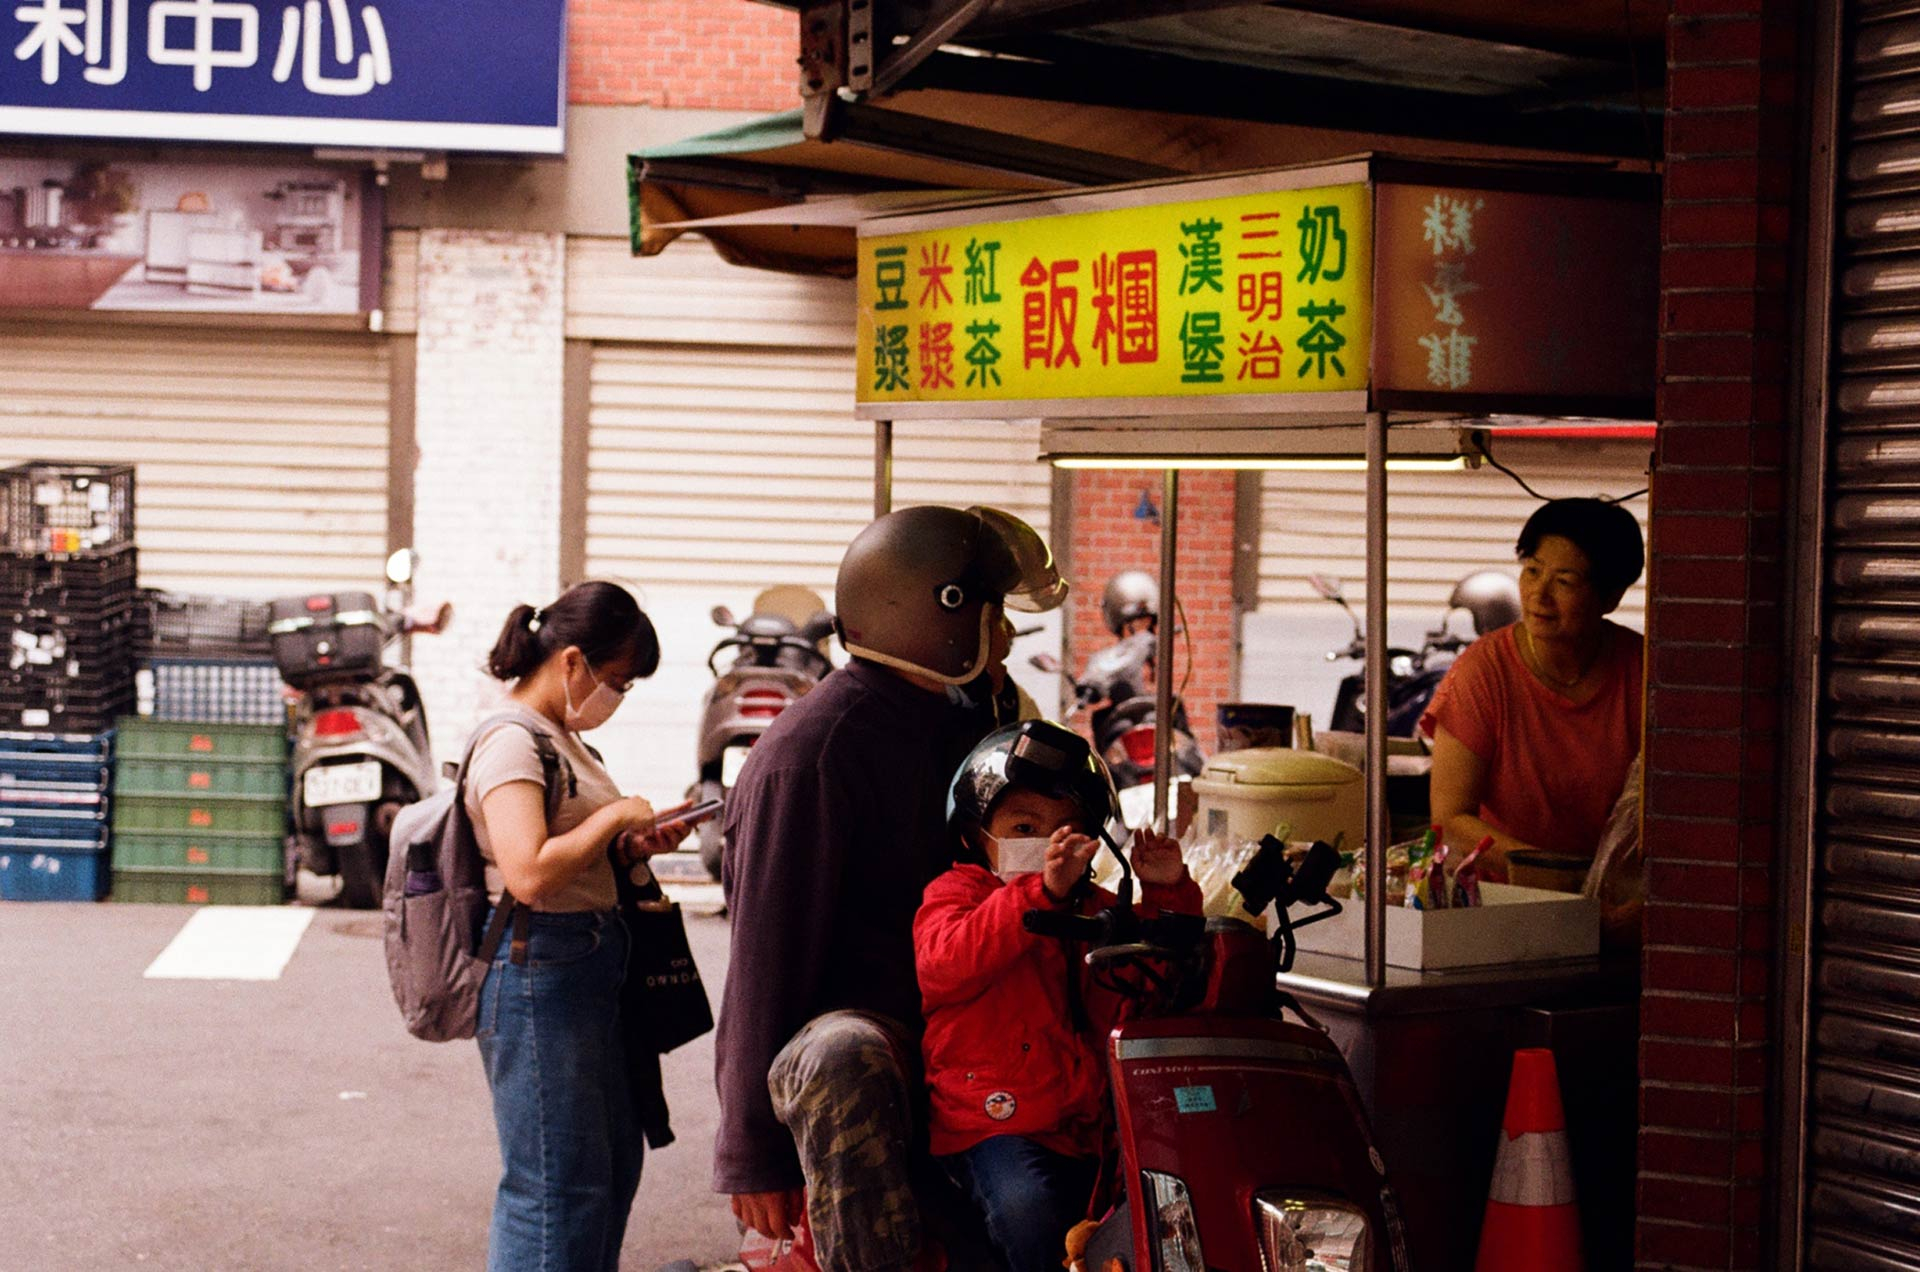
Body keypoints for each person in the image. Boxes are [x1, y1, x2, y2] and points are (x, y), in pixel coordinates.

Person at [714, 505, 1066, 1272]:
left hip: (977, 1035)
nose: (1003, 636)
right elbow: (764, 963)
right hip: (868, 1062)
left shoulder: (964, 719)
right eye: (992, 612)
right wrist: (751, 1150)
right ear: (937, 615)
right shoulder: (813, 755)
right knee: (842, 1051)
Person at [916, 721, 1201, 1272]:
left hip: (1084, 1124)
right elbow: (945, 964)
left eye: (1067, 829)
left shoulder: (1094, 906)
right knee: (1030, 1213)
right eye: (1025, 826)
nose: (1049, 844)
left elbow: (1150, 983)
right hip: (990, 1121)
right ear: (977, 833)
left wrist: (1167, 891)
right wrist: (1039, 895)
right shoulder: (956, 894)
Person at [469, 580, 691, 1272]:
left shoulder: (563, 739)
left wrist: (632, 842)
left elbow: (573, 847)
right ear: (571, 663)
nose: (616, 699)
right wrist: (615, 817)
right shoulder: (511, 741)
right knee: (554, 1186)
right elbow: (527, 873)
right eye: (616, 681)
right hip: (541, 970)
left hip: (590, 966)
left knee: (610, 1167)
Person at [1422, 497, 1645, 879]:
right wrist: (1556, 874)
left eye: (1564, 582)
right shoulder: (1482, 672)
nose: (1539, 595)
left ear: (1611, 597)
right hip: (1504, 901)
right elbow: (1451, 818)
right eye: (1532, 571)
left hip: (1613, 895)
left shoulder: (1643, 671)